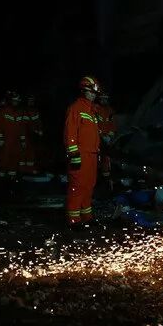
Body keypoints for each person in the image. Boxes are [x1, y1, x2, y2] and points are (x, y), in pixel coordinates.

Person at [64, 76, 101, 226]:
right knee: (77, 186)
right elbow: (70, 132)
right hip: (80, 154)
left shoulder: (92, 110)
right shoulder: (76, 108)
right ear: (84, 91)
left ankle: (87, 216)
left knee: (89, 185)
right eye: (91, 92)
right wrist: (74, 154)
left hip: (91, 154)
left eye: (95, 93)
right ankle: (73, 220)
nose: (94, 95)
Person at [0, 90, 26, 181]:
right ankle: (0, 180)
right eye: (14, 100)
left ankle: (11, 179)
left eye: (17, 101)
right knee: (4, 159)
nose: (15, 102)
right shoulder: (3, 112)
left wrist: (23, 140)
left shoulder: (20, 113)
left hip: (16, 142)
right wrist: (0, 139)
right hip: (6, 141)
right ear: (10, 100)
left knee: (14, 159)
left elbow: (22, 128)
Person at [96, 91, 116, 191]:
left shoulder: (110, 110)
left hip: (107, 139)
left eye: (105, 99)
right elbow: (94, 123)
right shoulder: (96, 109)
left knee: (106, 160)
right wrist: (100, 134)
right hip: (97, 138)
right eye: (102, 98)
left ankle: (107, 183)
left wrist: (110, 135)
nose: (104, 100)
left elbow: (112, 123)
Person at [20, 94, 43, 175]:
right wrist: (22, 138)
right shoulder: (23, 111)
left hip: (33, 136)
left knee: (32, 153)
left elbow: (38, 122)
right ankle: (22, 170)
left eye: (32, 100)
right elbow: (21, 125)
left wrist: (40, 131)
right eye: (29, 100)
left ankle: (30, 170)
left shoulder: (35, 111)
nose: (31, 102)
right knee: (23, 153)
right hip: (24, 136)